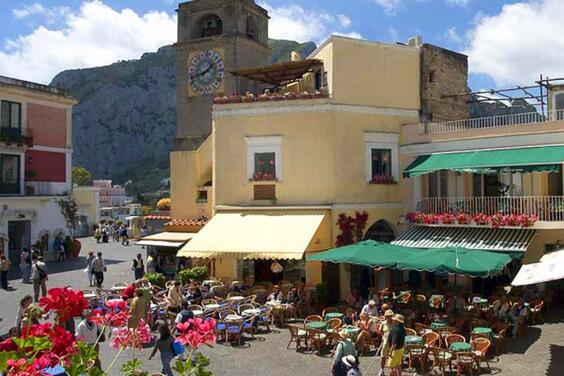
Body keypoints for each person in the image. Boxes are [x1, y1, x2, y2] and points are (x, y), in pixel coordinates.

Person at [377, 309, 394, 376]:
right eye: (388, 316)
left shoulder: (395, 323)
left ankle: (392, 372)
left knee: (392, 357)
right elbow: (380, 330)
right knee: (383, 357)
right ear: (386, 317)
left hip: (393, 343)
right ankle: (382, 370)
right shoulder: (383, 323)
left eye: (390, 316)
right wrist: (382, 336)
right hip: (385, 342)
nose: (389, 317)